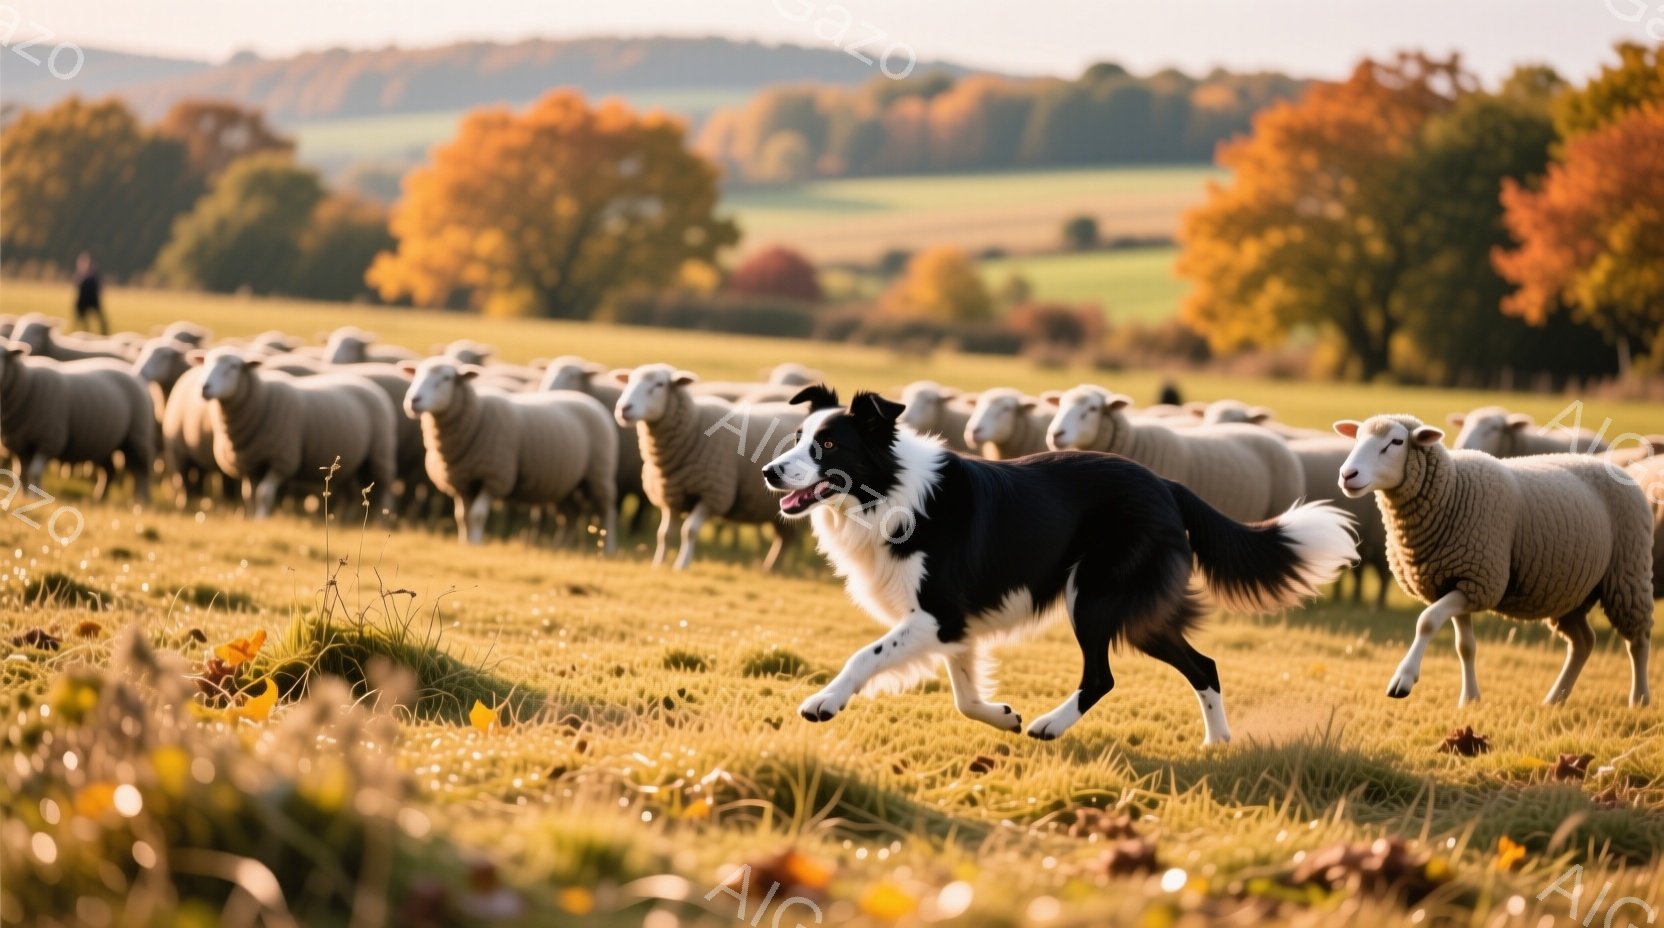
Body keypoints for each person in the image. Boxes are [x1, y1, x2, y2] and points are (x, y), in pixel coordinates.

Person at [73, 252, 109, 335]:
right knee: (82, 320)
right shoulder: (81, 274)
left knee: (101, 320)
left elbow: (101, 287)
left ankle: (104, 334)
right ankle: (85, 333)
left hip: (93, 299)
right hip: (83, 300)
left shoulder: (95, 274)